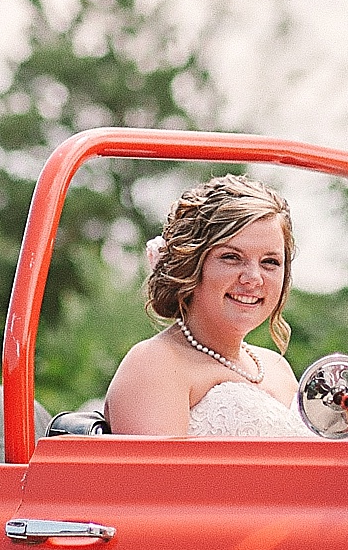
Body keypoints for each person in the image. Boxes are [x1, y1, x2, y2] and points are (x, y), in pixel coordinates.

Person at [105, 175, 313, 437]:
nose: (253, 278)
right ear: (191, 265)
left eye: (270, 262)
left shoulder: (276, 366)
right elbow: (154, 478)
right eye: (231, 257)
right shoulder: (155, 363)